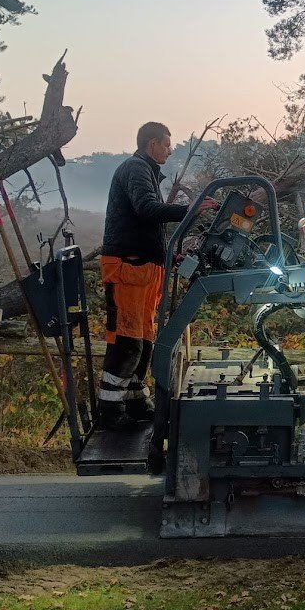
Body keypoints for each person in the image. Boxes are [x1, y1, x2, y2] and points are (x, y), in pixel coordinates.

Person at [97, 121, 215, 427]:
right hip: (128, 268)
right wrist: (190, 209)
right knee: (127, 340)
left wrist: (169, 257)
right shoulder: (135, 169)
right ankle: (110, 411)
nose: (170, 150)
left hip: (144, 269)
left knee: (144, 339)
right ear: (152, 144)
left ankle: (135, 401)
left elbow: (147, 225)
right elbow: (147, 210)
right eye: (166, 144)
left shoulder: (144, 171)